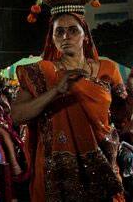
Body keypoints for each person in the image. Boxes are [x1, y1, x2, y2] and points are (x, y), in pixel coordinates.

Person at [12, 12, 126, 201]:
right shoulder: (41, 72)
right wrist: (56, 90)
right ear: (53, 39)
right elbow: (17, 116)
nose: (66, 37)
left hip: (101, 160)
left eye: (73, 30)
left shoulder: (108, 69)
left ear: (86, 36)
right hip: (56, 168)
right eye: (59, 32)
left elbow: (121, 114)